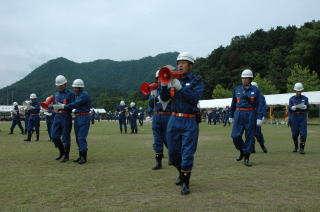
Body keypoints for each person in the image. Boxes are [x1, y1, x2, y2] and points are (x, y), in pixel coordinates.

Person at [160, 52, 204, 195]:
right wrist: (165, 85)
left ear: (190, 66)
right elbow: (164, 98)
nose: (180, 64)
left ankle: (186, 183)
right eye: (179, 62)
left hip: (189, 119)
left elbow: (194, 98)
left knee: (187, 153)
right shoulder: (173, 79)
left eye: (184, 62)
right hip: (174, 119)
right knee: (173, 152)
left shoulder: (197, 80)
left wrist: (180, 88)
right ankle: (181, 172)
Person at [53, 79, 92, 164]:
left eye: (75, 87)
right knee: (78, 138)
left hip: (84, 116)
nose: (74, 89)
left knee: (81, 137)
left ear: (79, 87)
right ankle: (80, 156)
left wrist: (63, 106)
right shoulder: (78, 95)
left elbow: (75, 104)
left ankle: (83, 157)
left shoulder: (84, 95)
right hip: (78, 117)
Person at [229, 69, 263, 167]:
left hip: (250, 114)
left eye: (246, 78)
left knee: (249, 137)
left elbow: (259, 104)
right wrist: (231, 115)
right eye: (242, 78)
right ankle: (242, 151)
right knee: (235, 136)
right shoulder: (237, 89)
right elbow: (233, 104)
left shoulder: (255, 90)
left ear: (250, 79)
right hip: (239, 113)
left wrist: (259, 117)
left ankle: (247, 158)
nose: (243, 80)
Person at [149, 70, 171, 170]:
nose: (159, 80)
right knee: (157, 140)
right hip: (157, 116)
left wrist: (164, 88)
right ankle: (158, 162)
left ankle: (172, 156)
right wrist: (152, 95)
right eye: (158, 78)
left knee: (169, 139)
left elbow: (166, 98)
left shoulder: (170, 88)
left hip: (167, 116)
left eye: (161, 78)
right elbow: (150, 104)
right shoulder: (154, 90)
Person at [51, 75, 75, 162]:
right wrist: (52, 106)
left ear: (65, 84)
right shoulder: (56, 94)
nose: (60, 86)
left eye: (61, 85)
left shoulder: (70, 94)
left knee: (65, 137)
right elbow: (54, 105)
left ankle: (66, 155)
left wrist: (64, 106)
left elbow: (72, 106)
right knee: (54, 136)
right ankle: (61, 152)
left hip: (66, 116)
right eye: (58, 85)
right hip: (57, 116)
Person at [288, 82, 309, 154]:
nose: (298, 92)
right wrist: (291, 108)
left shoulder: (305, 99)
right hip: (294, 118)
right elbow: (289, 109)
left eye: (299, 91)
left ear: (301, 91)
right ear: (295, 91)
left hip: (302, 117)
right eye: (297, 91)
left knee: (303, 134)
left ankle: (302, 148)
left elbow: (308, 108)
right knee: (294, 134)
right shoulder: (291, 99)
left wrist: (306, 107)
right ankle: (296, 146)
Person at [251, 82, 268, 153]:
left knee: (258, 133)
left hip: (258, 116)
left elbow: (263, 107)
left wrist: (262, 116)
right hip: (250, 116)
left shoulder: (261, 96)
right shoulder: (248, 95)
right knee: (250, 133)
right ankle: (252, 148)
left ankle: (262, 145)